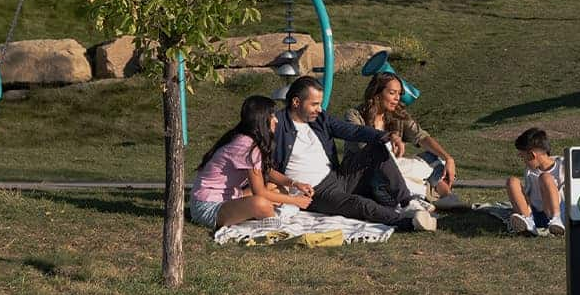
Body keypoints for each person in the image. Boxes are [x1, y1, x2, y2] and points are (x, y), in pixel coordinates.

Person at [271, 76, 437, 232]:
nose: (319, 109)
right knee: (360, 204)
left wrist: (387, 136)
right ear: (296, 102)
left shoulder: (320, 119)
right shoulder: (275, 126)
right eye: (314, 104)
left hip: (338, 177)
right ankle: (407, 222)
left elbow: (353, 130)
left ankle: (408, 202)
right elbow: (252, 146)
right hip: (316, 192)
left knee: (376, 147)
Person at [188, 96, 313, 229]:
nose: (276, 120)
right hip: (208, 206)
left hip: (231, 195)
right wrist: (296, 201)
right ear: (262, 120)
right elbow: (259, 193)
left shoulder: (246, 138)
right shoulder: (247, 146)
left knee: (277, 188)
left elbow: (266, 172)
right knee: (261, 203)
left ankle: (262, 210)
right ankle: (269, 217)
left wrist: (294, 183)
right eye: (272, 116)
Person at [345, 72, 458, 207]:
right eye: (392, 93)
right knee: (390, 177)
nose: (397, 98)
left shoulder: (397, 114)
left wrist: (448, 158)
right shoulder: (354, 115)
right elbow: (362, 145)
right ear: (377, 93)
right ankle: (424, 196)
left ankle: (445, 196)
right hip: (366, 171)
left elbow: (421, 136)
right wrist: (389, 138)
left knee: (435, 158)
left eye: (399, 94)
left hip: (397, 166)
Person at [506, 127, 565, 236]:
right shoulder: (529, 171)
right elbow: (528, 196)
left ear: (532, 155)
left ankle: (557, 220)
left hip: (558, 212)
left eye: (523, 156)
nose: (523, 161)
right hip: (536, 214)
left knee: (545, 177)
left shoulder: (563, 165)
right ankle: (528, 222)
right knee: (512, 181)